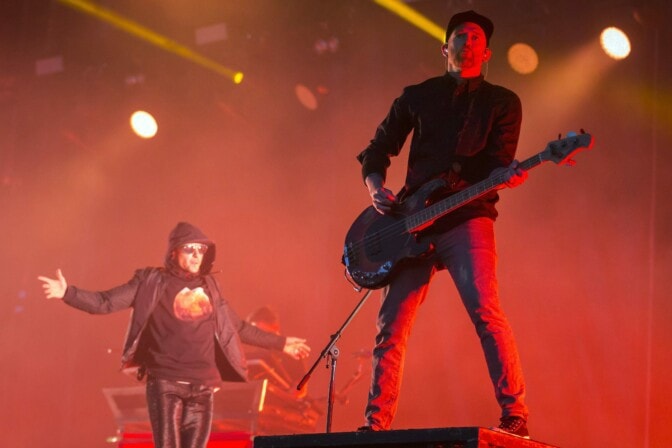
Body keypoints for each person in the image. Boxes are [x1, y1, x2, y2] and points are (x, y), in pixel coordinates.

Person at [355, 10, 530, 438]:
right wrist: (375, 187)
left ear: (487, 53)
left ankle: (515, 413)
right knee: (390, 327)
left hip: (468, 216)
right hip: (413, 222)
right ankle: (376, 424)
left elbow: (498, 162)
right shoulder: (417, 96)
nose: (468, 41)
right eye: (460, 35)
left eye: (476, 37)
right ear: (444, 47)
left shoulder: (502, 102)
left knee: (486, 312)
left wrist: (507, 175)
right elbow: (378, 148)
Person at [38, 222, 311, 448]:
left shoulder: (211, 287)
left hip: (203, 388)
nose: (196, 255)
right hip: (166, 385)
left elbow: (238, 327)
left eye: (201, 250)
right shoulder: (152, 281)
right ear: (173, 252)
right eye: (189, 249)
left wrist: (282, 343)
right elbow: (105, 302)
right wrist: (67, 293)